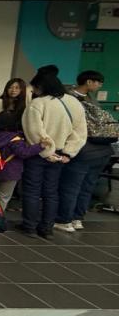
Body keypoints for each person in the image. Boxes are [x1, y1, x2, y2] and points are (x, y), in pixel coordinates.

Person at [19, 65, 87, 238]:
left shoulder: (38, 103)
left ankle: (30, 226)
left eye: (35, 88)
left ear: (41, 87)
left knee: (32, 190)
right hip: (60, 154)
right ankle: (47, 228)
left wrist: (47, 152)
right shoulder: (74, 103)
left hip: (38, 154)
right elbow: (80, 132)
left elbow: (34, 131)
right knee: (51, 192)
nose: (34, 91)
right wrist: (67, 153)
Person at [55, 70, 119, 232]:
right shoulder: (92, 101)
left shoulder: (67, 98)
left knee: (71, 187)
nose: (100, 86)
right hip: (103, 151)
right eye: (98, 82)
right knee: (86, 187)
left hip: (82, 150)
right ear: (88, 82)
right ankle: (77, 219)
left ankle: (65, 220)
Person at [0, 111, 49, 211]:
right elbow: (24, 152)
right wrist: (40, 146)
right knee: (3, 197)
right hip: (10, 173)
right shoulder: (15, 139)